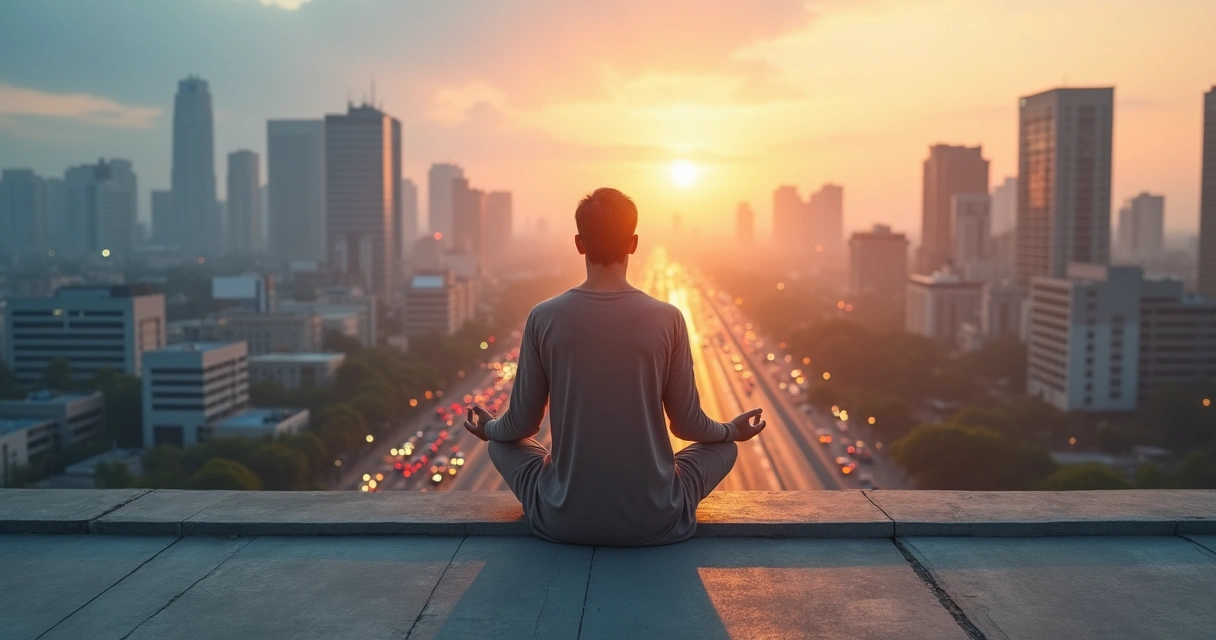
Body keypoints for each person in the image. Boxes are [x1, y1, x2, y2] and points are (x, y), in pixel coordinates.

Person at [463, 187, 766, 546]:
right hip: (655, 520)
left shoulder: (543, 317)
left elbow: (523, 424)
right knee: (723, 447)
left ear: (579, 243)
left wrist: (490, 429)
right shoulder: (668, 318)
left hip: (561, 519)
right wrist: (731, 430)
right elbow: (687, 425)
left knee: (500, 444)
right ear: (633, 243)